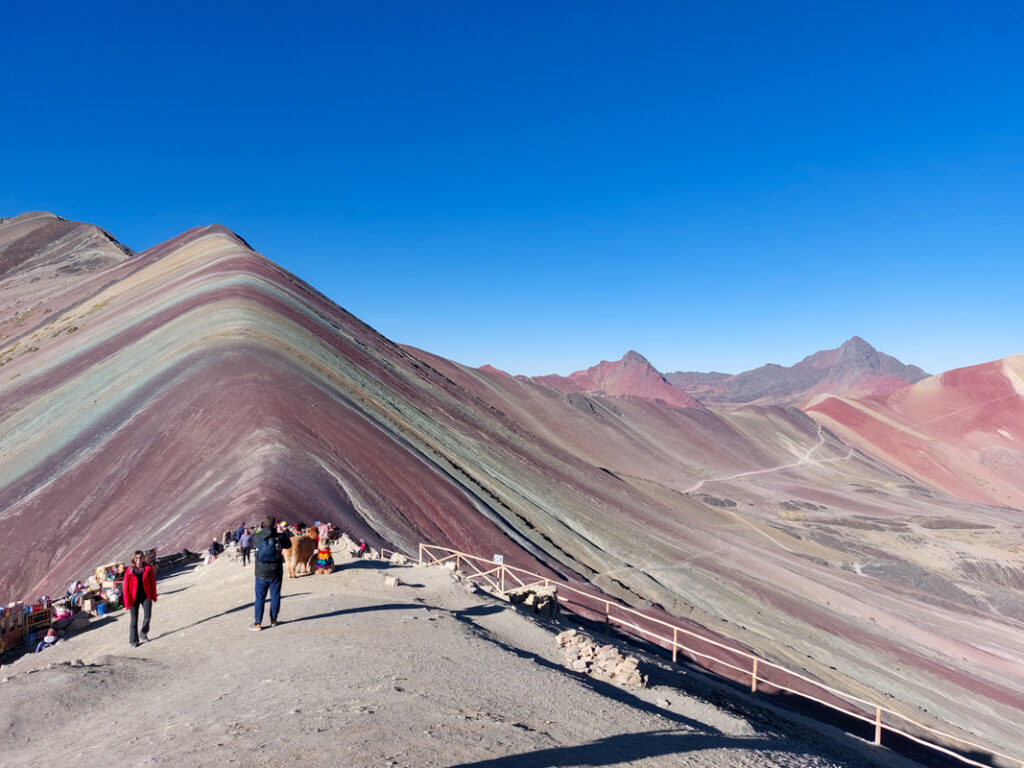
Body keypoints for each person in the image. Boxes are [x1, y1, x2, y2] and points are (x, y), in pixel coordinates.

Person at [250, 515, 291, 631]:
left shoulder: (258, 536)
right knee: (275, 596)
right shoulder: (279, 536)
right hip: (276, 572)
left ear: (264, 523)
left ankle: (258, 623)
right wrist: (282, 533)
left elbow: (252, 543)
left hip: (261, 572)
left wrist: (260, 530)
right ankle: (273, 620)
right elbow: (288, 545)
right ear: (274, 524)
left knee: (259, 598)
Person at [123, 550, 158, 646]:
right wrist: (126, 603)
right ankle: (134, 641)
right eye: (137, 558)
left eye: (140, 557)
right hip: (133, 598)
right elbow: (125, 589)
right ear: (134, 559)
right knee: (134, 620)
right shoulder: (129, 571)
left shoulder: (148, 568)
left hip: (146, 596)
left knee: (148, 616)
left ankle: (143, 633)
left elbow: (152, 583)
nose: (139, 560)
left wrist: (153, 596)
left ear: (143, 558)